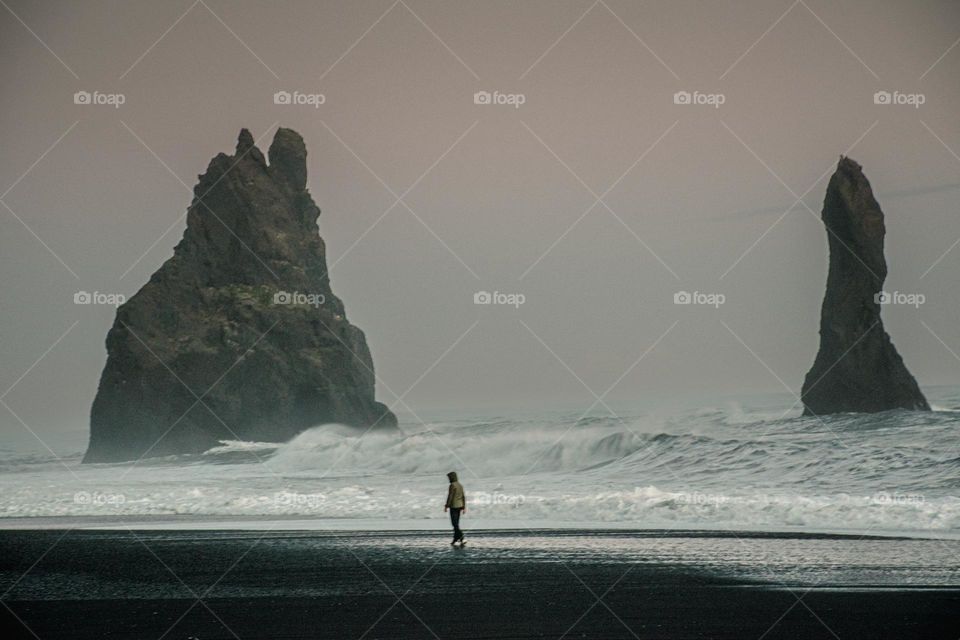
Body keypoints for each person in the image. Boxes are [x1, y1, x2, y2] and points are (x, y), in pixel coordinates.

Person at [444, 471, 466, 546]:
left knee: (454, 523)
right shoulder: (460, 485)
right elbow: (463, 496)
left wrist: (446, 505)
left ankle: (462, 537)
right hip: (460, 506)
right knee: (456, 523)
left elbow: (450, 496)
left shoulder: (452, 485)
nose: (449, 479)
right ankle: (455, 538)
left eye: (449, 477)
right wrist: (464, 507)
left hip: (453, 506)